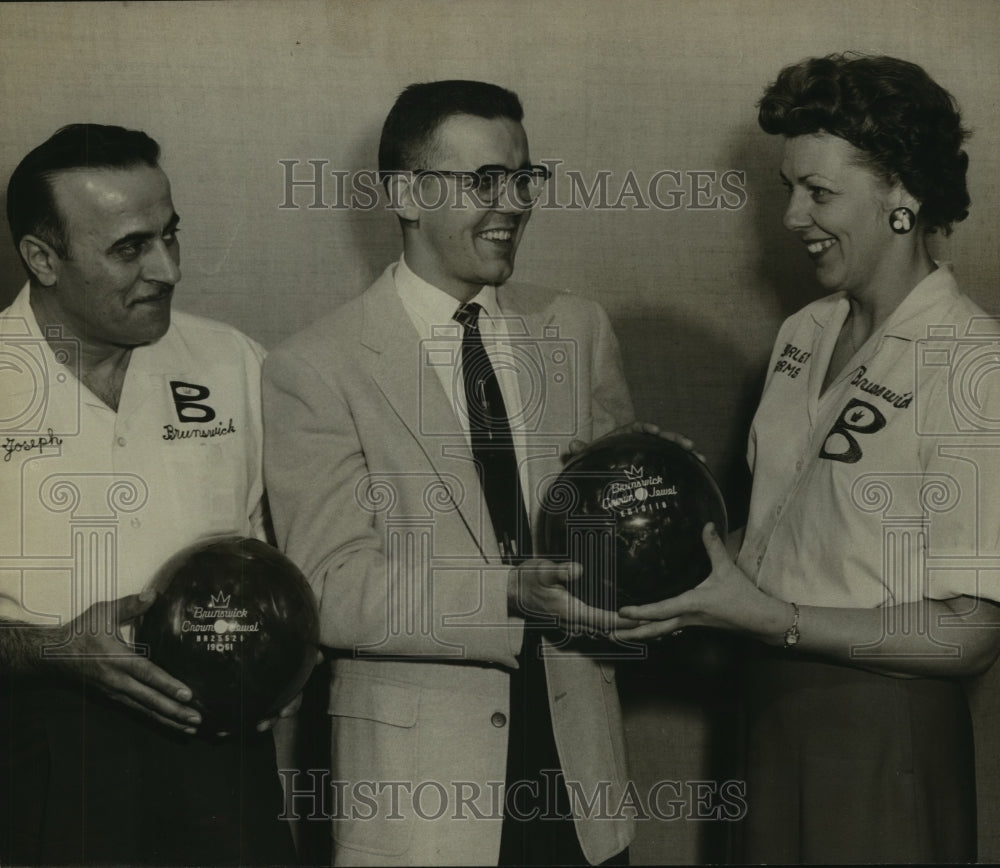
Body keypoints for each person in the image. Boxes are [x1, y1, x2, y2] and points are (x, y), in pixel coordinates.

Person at [617, 54, 1000, 864]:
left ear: (903, 193)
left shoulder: (973, 363)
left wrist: (774, 620)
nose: (792, 217)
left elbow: (970, 636)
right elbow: (772, 554)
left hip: (884, 731)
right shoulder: (804, 334)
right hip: (768, 708)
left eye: (819, 192)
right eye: (789, 188)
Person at [263, 80, 638, 866]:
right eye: (484, 182)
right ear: (405, 193)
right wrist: (505, 593)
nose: (513, 204)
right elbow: (331, 591)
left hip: (582, 786)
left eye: (525, 179)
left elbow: (614, 542)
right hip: (422, 805)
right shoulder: (315, 366)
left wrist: (656, 509)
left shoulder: (577, 328)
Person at [0, 124, 297, 866]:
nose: (168, 270)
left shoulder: (231, 359)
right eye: (130, 248)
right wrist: (45, 648)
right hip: (42, 760)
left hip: (221, 757)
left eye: (170, 235)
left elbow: (294, 550)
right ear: (41, 258)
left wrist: (287, 650)